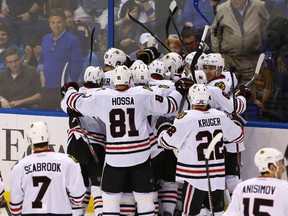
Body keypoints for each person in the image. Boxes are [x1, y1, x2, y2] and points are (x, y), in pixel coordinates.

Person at [61, 65, 184, 215]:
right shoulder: (141, 94)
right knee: (145, 200)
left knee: (110, 201)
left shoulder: (103, 96)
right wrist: (179, 92)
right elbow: (171, 106)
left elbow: (75, 102)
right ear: (130, 80)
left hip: (115, 159)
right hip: (141, 157)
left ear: (113, 81)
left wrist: (70, 89)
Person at [157, 84, 244, 216]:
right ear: (207, 98)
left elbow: (166, 143)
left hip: (195, 179)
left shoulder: (186, 117)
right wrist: (236, 122)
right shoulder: (220, 115)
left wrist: (163, 127)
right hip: (217, 177)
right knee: (217, 213)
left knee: (190, 213)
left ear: (191, 99)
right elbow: (238, 136)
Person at [9, 121, 86, 215]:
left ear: (29, 140)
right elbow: (78, 199)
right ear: (48, 138)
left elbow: (15, 208)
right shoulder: (68, 162)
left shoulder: (18, 167)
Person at [62, 66, 106, 215]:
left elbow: (65, 106)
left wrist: (68, 92)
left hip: (75, 144)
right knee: (97, 184)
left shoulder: (74, 94)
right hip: (96, 144)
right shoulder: (104, 94)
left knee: (80, 184)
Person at [210, 0, 270, 84]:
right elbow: (215, 30)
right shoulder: (221, 8)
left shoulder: (259, 6)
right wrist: (216, 52)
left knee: (250, 91)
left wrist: (258, 38)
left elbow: (267, 25)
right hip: (229, 60)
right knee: (228, 90)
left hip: (251, 60)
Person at [38, 8, 83, 110]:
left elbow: (78, 64)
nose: (56, 25)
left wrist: (69, 84)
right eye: (53, 22)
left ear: (64, 22)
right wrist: (41, 73)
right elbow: (42, 59)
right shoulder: (45, 39)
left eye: (59, 22)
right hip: (47, 87)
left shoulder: (73, 40)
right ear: (49, 23)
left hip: (63, 88)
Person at [223, 147, 288, 215]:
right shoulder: (284, 188)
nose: (283, 169)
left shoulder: (242, 187)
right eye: (280, 163)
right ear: (271, 167)